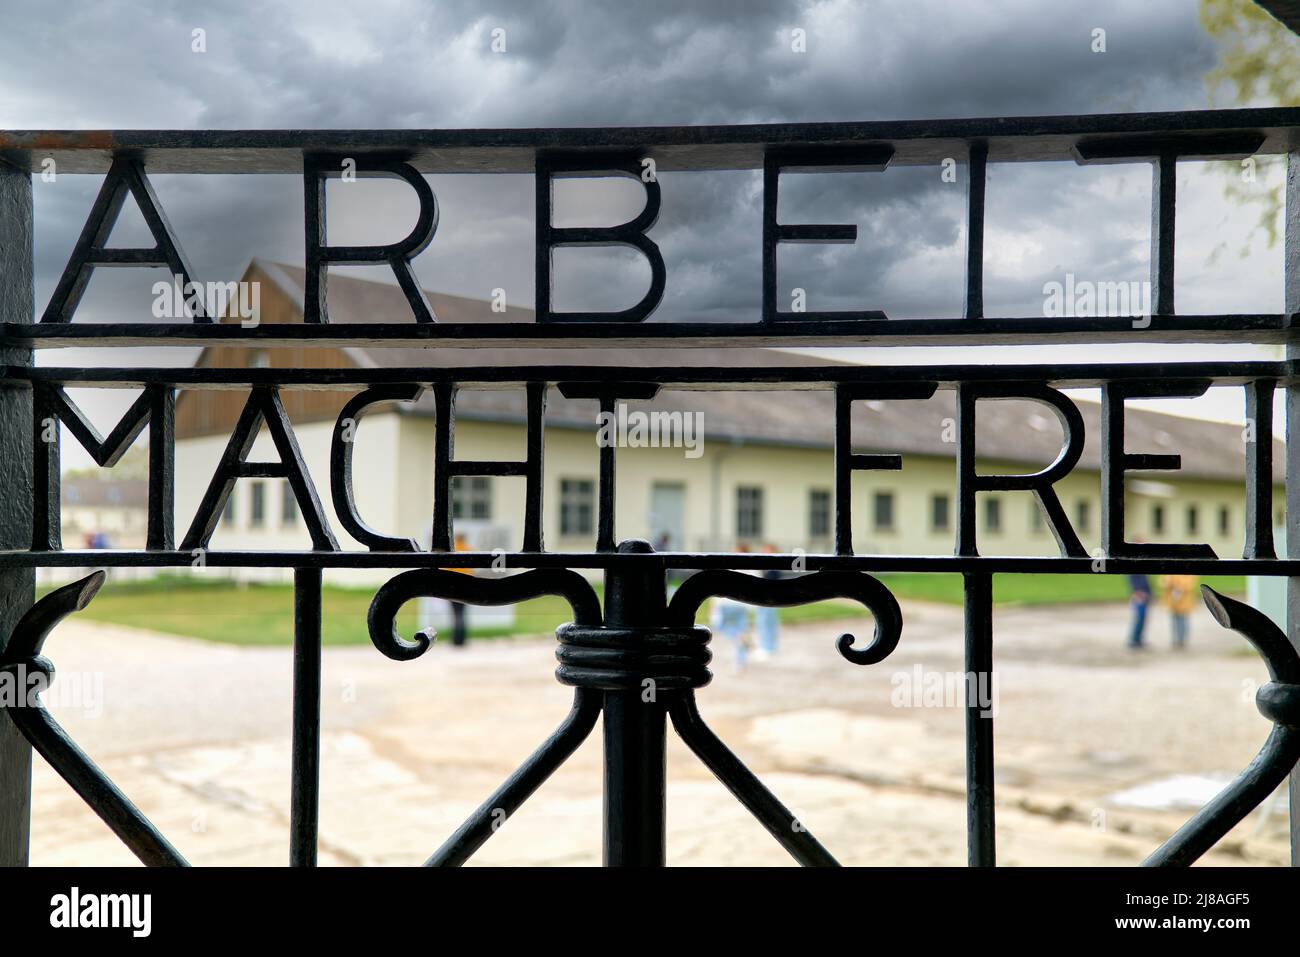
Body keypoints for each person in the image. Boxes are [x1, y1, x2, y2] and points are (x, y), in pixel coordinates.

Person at [754, 544, 782, 660]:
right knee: (763, 623)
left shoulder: (775, 566)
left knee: (767, 623)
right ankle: (767, 646)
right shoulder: (766, 566)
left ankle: (768, 648)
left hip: (771, 600)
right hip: (764, 599)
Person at [1160, 573, 1198, 649]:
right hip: (1173, 599)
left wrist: (1180, 587)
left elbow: (1190, 583)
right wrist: (1172, 586)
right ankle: (1175, 640)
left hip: (1184, 599)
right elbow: (1165, 581)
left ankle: (1181, 641)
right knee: (1174, 620)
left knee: (1183, 620)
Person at [448, 532, 473, 647]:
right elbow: (471, 570)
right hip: (466, 586)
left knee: (456, 614)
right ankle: (462, 638)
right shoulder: (468, 549)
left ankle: (456, 639)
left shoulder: (453, 550)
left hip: (453, 586)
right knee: (462, 614)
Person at [1127, 573, 1152, 649]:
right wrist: (1138, 593)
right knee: (1138, 618)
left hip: (1145, 596)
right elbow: (1133, 582)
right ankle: (1134, 640)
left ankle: (1139, 639)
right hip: (1139, 597)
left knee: (1142, 619)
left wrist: (1149, 594)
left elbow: (1146, 583)